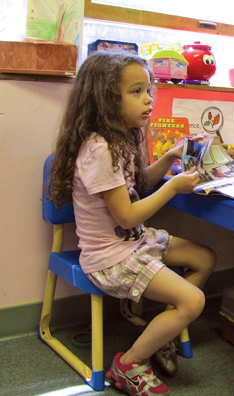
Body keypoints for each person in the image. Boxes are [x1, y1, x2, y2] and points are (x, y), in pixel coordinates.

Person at [48, 51, 217, 396]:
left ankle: (162, 332)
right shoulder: (98, 150)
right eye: (136, 91)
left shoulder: (120, 138)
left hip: (134, 243)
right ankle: (129, 365)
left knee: (205, 258)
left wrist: (168, 158)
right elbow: (125, 215)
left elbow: (137, 185)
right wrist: (172, 187)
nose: (149, 100)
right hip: (109, 258)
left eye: (148, 91)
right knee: (194, 302)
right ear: (106, 100)